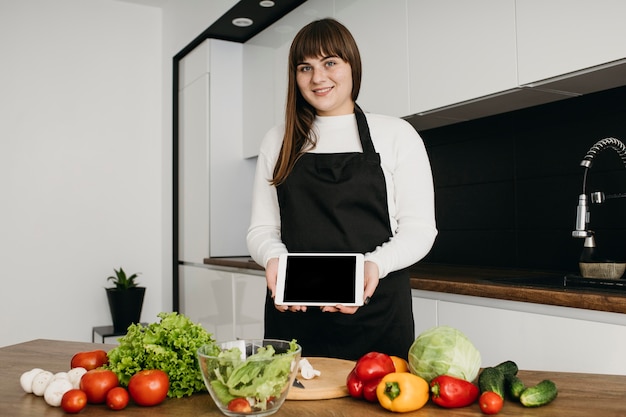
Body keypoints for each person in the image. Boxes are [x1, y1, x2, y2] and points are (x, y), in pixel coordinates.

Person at [246, 18, 437, 360]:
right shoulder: (278, 140)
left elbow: (420, 230)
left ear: (352, 66)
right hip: (294, 316)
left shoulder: (397, 134)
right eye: (306, 67)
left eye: (330, 62)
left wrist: (374, 265)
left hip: (376, 315)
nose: (318, 77)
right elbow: (263, 228)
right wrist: (274, 259)